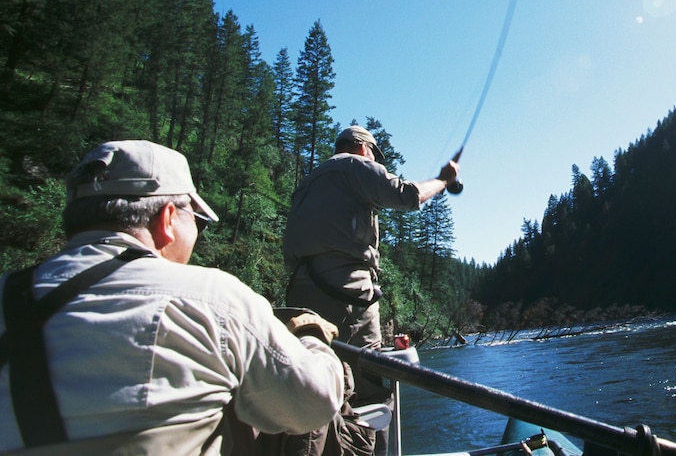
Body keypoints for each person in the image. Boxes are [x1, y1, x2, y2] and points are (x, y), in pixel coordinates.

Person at [0, 140, 347, 455]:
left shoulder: (8, 293)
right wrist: (312, 338)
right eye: (197, 221)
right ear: (167, 218)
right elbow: (313, 404)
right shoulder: (214, 297)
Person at [283, 126, 459, 453]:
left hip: (301, 302)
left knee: (320, 388)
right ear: (363, 148)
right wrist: (444, 180)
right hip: (346, 298)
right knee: (370, 391)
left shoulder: (310, 181)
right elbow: (409, 196)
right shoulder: (353, 165)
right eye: (375, 157)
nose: (377, 163)